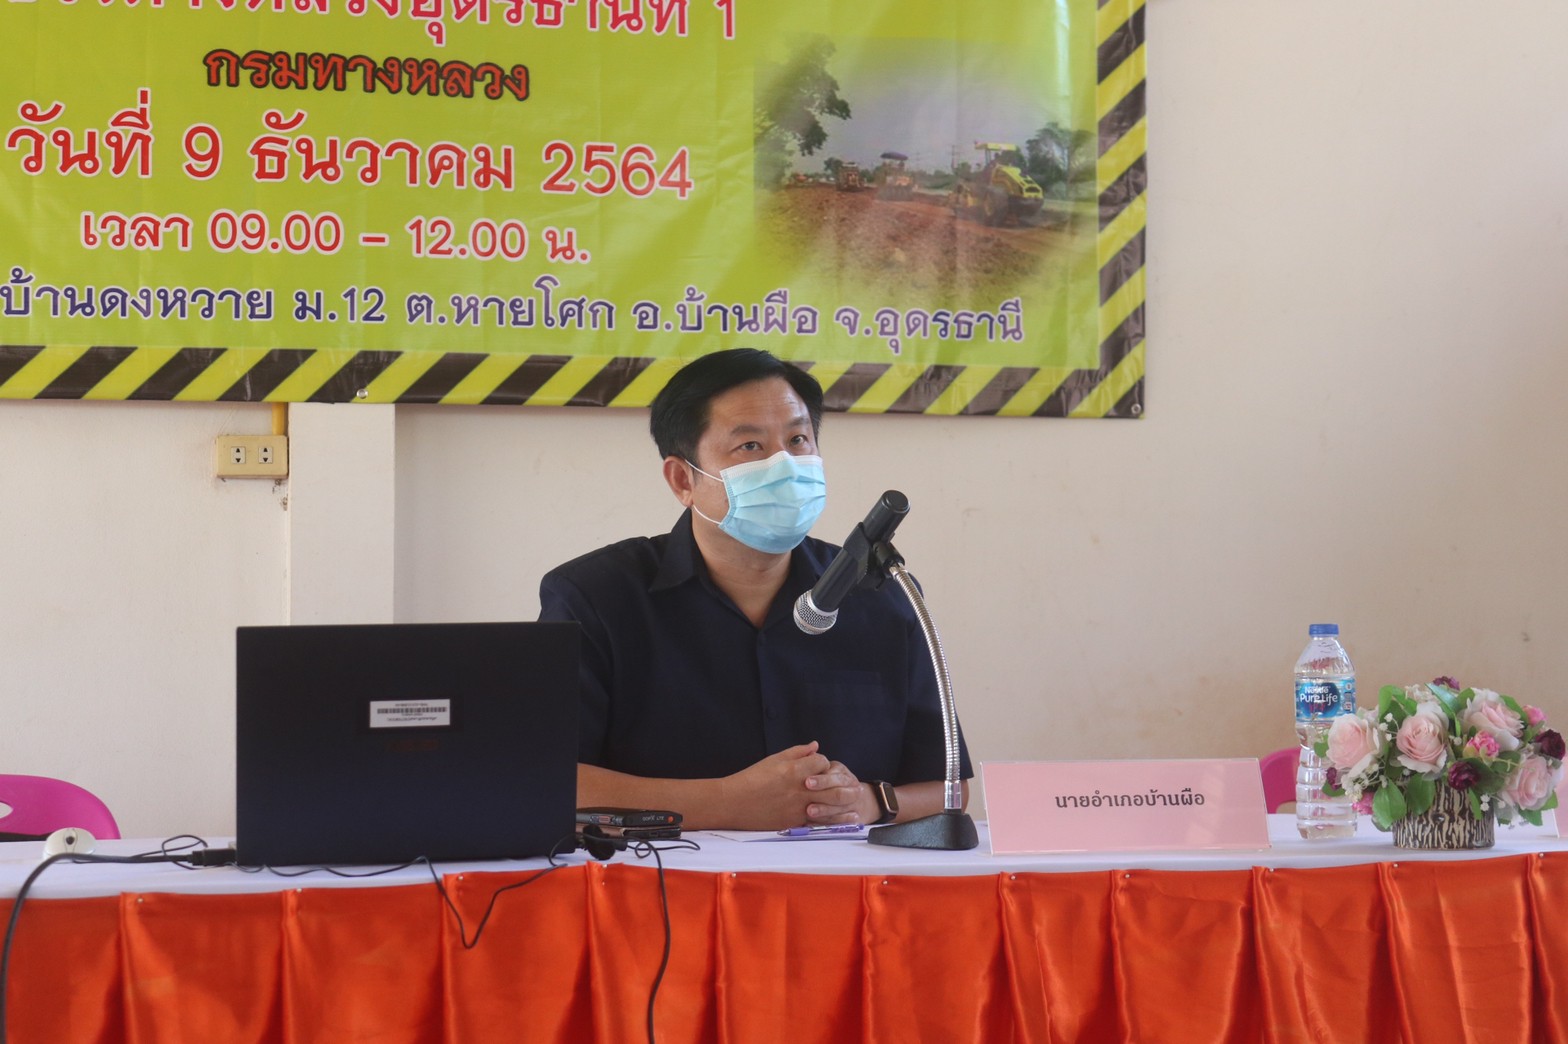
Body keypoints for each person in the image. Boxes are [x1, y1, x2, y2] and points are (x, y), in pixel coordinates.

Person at [538, 348, 971, 831]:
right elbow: (545, 780)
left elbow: (948, 787)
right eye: (750, 446)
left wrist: (867, 802)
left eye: (798, 439)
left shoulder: (882, 594)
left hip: (846, 875)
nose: (784, 464)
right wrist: (728, 802)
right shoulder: (595, 598)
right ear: (683, 479)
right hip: (661, 875)